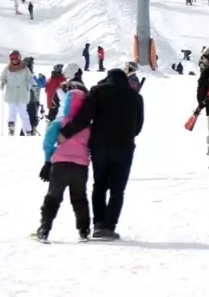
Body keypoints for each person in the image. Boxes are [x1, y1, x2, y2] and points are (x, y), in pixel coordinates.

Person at [56, 63, 145, 240]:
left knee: (100, 185)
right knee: (118, 189)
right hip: (124, 148)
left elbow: (85, 117)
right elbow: (138, 128)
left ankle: (98, 225)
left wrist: (65, 133)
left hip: (100, 147)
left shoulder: (98, 91)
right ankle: (109, 227)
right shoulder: (136, 97)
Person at [35, 81, 92, 243]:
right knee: (80, 198)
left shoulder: (59, 122)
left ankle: (44, 229)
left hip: (60, 165)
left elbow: (47, 143)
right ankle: (83, 231)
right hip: (81, 167)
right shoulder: (87, 126)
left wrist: (48, 161)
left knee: (53, 197)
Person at [0, 51, 35, 136]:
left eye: (16, 59)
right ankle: (11, 128)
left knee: (23, 113)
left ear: (19, 58)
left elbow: (30, 78)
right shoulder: (7, 69)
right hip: (11, 94)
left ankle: (28, 130)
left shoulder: (25, 68)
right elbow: (3, 77)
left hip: (22, 94)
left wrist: (30, 84)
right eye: (13, 59)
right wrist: (2, 83)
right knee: (12, 111)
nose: (15, 61)